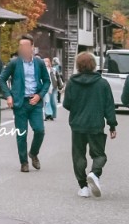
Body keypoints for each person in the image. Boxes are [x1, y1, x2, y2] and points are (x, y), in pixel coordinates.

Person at [64, 51, 118, 198]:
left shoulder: (72, 83)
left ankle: (83, 187)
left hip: (77, 125)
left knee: (78, 156)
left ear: (78, 66)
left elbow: (66, 104)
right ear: (94, 65)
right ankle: (94, 173)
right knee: (99, 155)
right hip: (95, 125)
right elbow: (109, 106)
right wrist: (112, 125)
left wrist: (77, 108)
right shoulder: (102, 83)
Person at [0, 34, 50, 173]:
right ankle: (24, 162)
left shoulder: (39, 63)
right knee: (21, 134)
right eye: (21, 46)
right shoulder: (14, 63)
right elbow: (2, 79)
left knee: (39, 130)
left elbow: (47, 81)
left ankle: (33, 153)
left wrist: (39, 95)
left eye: (26, 45)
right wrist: (8, 96)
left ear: (32, 47)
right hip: (20, 103)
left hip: (35, 102)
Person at [42, 56, 58, 120]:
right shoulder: (42, 70)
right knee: (46, 101)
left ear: (49, 63)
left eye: (47, 62)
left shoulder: (53, 70)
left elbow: (57, 78)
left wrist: (60, 86)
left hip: (53, 87)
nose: (45, 63)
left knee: (53, 102)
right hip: (45, 87)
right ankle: (47, 115)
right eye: (44, 62)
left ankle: (53, 114)